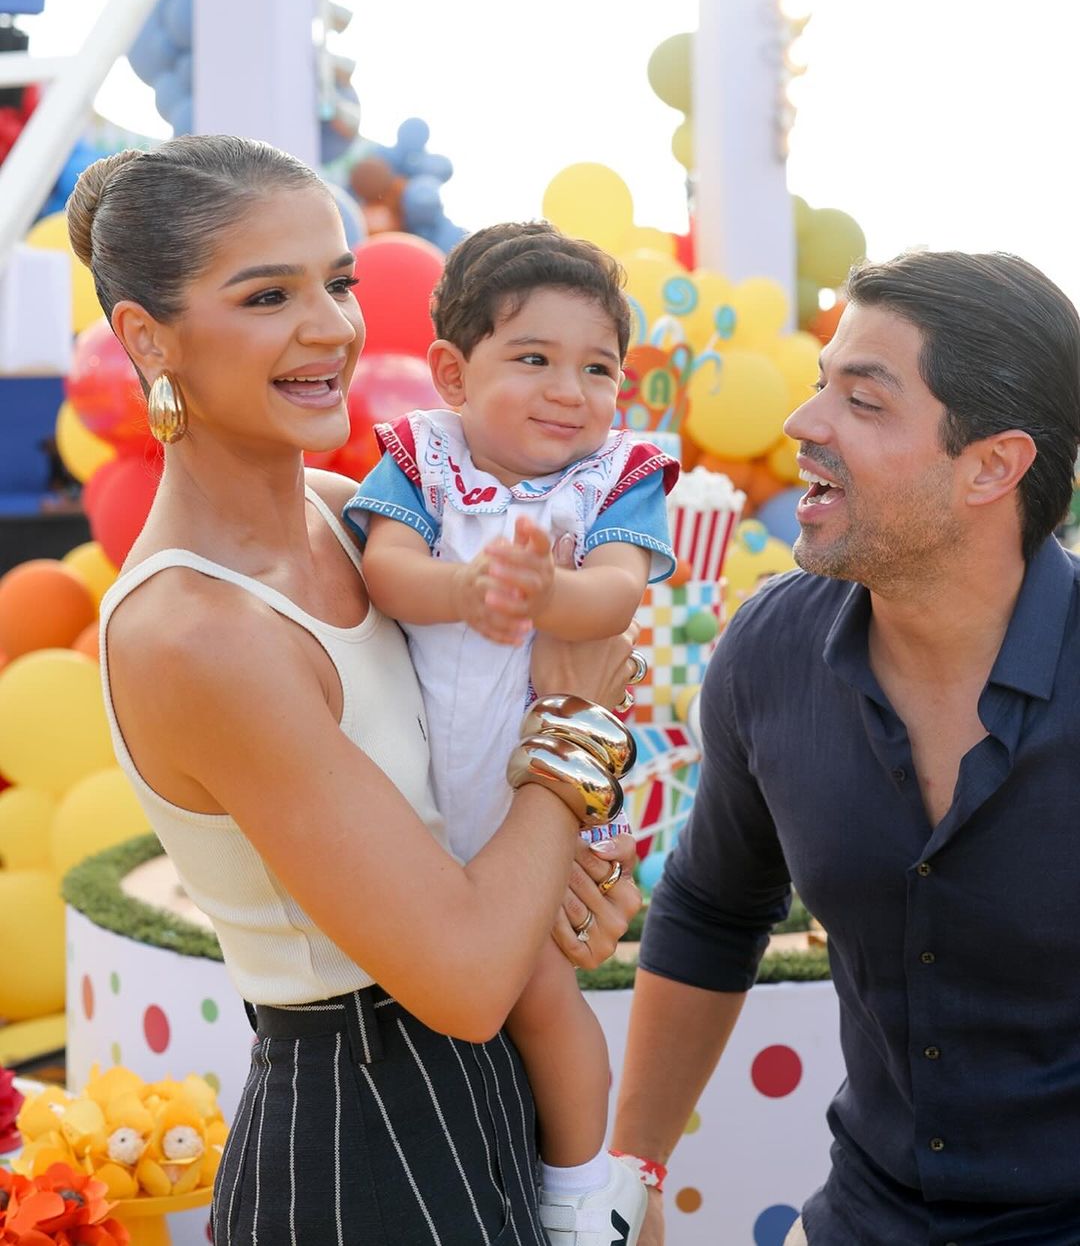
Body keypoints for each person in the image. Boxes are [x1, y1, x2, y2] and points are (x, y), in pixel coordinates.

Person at [67, 135, 644, 1246]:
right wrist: (575, 726)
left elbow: (471, 851)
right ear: (148, 340)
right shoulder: (197, 632)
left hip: (493, 1091)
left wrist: (570, 879)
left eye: (338, 280)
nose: (332, 324)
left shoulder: (358, 518)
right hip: (365, 1152)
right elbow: (464, 979)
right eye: (267, 294)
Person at [611, 249, 1080, 1245]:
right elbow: (711, 908)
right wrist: (633, 1173)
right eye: (823, 383)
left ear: (992, 466)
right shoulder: (769, 649)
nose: (801, 423)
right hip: (864, 1220)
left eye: (863, 401)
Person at [344, 222, 678, 1244]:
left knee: (540, 995)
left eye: (597, 367)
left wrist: (548, 593)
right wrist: (468, 589)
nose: (569, 390)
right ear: (451, 369)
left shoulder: (616, 477)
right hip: (413, 789)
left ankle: (581, 1192)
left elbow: (615, 599)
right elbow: (384, 570)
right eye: (533, 359)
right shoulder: (424, 459)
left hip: (530, 787)